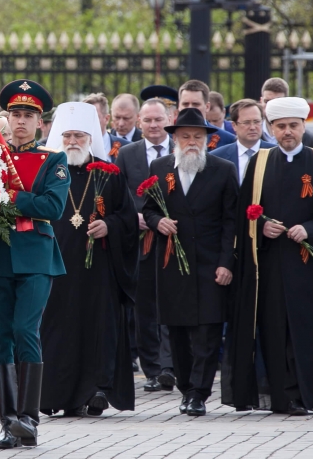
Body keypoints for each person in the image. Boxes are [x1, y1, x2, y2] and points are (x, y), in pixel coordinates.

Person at [222, 97, 313, 415]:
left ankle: (305, 394)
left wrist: (310, 229)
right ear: (271, 129)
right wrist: (262, 226)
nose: (287, 132)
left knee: (305, 328)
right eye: (280, 126)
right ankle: (282, 396)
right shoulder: (261, 161)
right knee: (275, 328)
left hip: (308, 267)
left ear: (303, 126)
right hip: (271, 263)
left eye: (293, 125)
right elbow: (245, 212)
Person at [0, 79, 69, 449]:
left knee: (24, 330)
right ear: (6, 117)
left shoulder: (53, 160)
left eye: (28, 115)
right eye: (15, 114)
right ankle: (7, 421)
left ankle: (29, 418)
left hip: (34, 256)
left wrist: (10, 196)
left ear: (40, 123)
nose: (20, 121)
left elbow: (53, 207)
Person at [39, 102, 138, 417]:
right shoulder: (48, 172)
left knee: (97, 327)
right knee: (56, 329)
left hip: (97, 272)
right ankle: (53, 393)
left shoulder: (108, 174)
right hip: (55, 266)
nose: (72, 142)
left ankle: (96, 390)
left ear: (90, 137)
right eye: (67, 135)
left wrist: (109, 225)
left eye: (79, 136)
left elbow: (128, 218)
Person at [143, 108, 238, 416]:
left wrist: (226, 262)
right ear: (175, 139)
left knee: (208, 332)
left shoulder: (222, 170)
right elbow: (148, 209)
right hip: (173, 265)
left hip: (211, 264)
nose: (192, 142)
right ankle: (186, 388)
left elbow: (231, 221)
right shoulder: (159, 167)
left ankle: (199, 392)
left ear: (207, 139)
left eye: (198, 137)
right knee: (178, 331)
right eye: (186, 137)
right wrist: (159, 223)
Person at [115, 98, 175, 392]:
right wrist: (133, 217)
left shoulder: (181, 150)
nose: (153, 125)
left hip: (174, 241)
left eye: (158, 119)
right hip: (140, 241)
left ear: (169, 119)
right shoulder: (127, 154)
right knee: (145, 308)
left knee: (172, 303)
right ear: (139, 122)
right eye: (148, 120)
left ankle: (170, 365)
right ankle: (152, 369)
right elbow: (117, 195)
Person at [210, 99, 276, 185]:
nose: (252, 127)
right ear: (234, 126)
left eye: (256, 122)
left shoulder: (275, 154)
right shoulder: (217, 157)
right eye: (246, 122)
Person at [260, 78, 313, 148]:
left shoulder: (307, 139)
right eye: (267, 101)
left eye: (277, 102)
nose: (271, 107)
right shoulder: (251, 135)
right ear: (261, 101)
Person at [177, 80, 236, 149]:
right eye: (185, 104)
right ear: (179, 106)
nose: (190, 108)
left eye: (196, 104)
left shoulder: (228, 140)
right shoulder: (168, 137)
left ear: (207, 107)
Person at [83, 92, 124, 159]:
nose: (88, 122)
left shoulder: (124, 146)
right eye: (85, 118)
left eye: (94, 117)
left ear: (107, 119)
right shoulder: (75, 148)